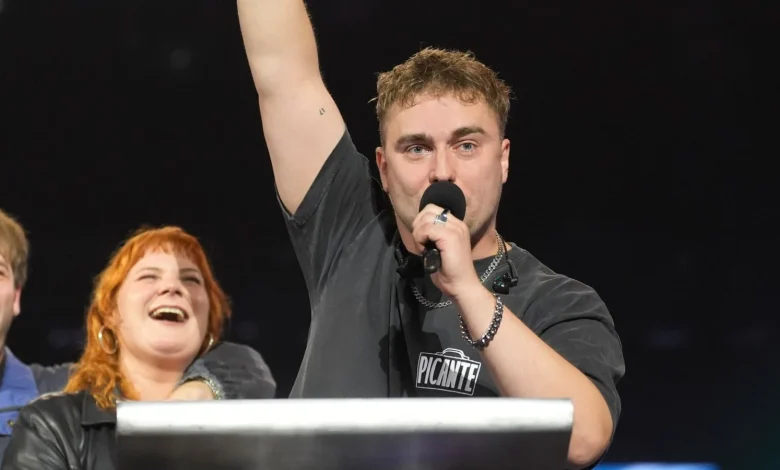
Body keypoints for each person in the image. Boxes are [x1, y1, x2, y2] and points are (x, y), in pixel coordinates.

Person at [236, 1, 626, 468]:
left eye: (466, 145)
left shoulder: (561, 304)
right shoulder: (351, 228)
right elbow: (282, 74)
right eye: (416, 148)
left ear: (502, 159)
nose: (443, 172)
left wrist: (466, 289)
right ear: (383, 168)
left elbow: (582, 439)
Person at [0, 220, 276, 468]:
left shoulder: (248, 423)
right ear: (109, 312)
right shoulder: (53, 423)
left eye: (191, 279)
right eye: (149, 277)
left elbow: (246, 365)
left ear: (209, 319)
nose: (173, 287)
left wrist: (191, 401)